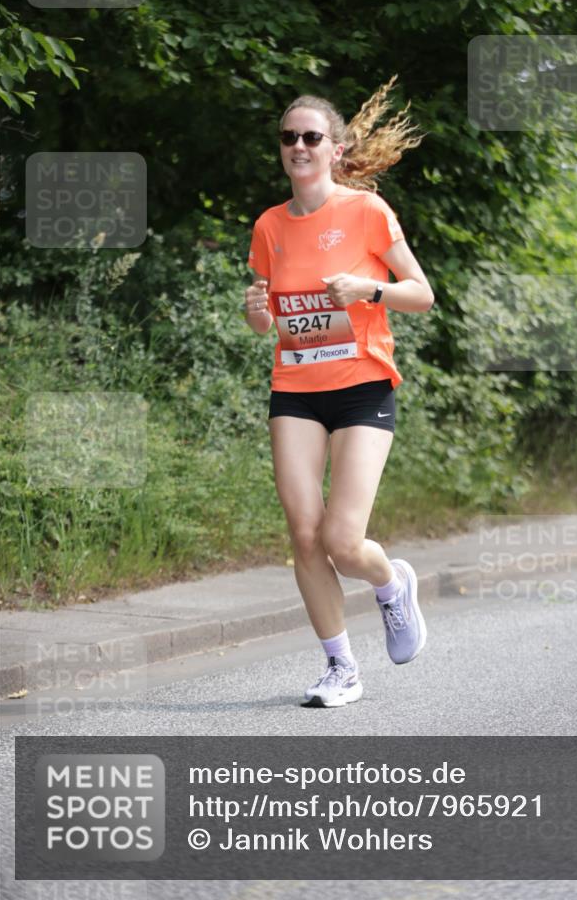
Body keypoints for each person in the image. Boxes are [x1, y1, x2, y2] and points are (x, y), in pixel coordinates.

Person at [244, 75, 434, 707]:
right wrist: (256, 314)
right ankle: (341, 669)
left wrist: (367, 289)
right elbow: (267, 320)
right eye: (288, 137)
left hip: (361, 387)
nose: (298, 146)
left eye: (310, 137)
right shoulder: (269, 226)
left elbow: (422, 294)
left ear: (335, 148)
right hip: (295, 389)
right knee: (304, 535)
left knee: (342, 542)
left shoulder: (367, 212)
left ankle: (390, 583)